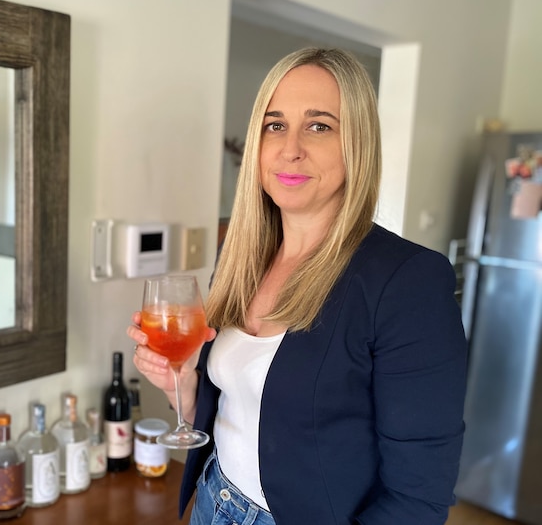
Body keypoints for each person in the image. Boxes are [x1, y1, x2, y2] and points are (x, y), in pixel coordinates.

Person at [129, 48, 467, 524]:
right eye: (275, 125)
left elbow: (417, 499)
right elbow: (241, 408)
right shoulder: (240, 256)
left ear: (358, 144)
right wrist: (182, 387)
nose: (290, 148)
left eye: (319, 125)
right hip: (213, 499)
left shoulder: (408, 281)